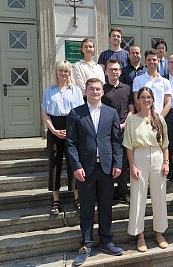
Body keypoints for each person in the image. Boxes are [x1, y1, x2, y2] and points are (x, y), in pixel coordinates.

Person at [66, 78, 124, 266]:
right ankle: (87, 243)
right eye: (91, 89)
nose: (95, 92)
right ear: (86, 91)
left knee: (107, 206)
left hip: (107, 168)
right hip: (86, 169)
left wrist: (118, 163)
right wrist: (76, 166)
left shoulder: (111, 113)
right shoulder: (76, 113)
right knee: (87, 208)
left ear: (102, 91)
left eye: (98, 89)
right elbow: (71, 143)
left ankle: (106, 241)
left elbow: (116, 141)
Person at [123, 87, 170, 252]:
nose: (146, 100)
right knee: (138, 196)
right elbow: (128, 146)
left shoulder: (159, 119)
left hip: (157, 156)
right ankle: (140, 236)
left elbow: (165, 144)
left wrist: (166, 162)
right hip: (139, 156)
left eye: (149, 97)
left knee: (159, 196)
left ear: (152, 99)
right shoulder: (132, 120)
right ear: (137, 100)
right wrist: (132, 165)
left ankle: (159, 233)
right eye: (143, 97)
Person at [41, 60, 84, 215]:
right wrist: (53, 130)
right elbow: (45, 113)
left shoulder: (76, 90)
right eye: (61, 70)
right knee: (54, 164)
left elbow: (79, 112)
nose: (63, 73)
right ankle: (56, 200)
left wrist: (71, 130)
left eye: (66, 71)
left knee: (74, 163)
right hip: (54, 128)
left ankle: (77, 197)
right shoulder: (48, 91)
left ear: (69, 73)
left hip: (71, 127)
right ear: (56, 72)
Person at [102, 59, 134, 205]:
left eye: (116, 69)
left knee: (122, 162)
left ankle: (122, 192)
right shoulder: (101, 89)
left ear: (120, 71)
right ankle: (107, 192)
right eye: (111, 69)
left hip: (124, 129)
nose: (114, 71)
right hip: (106, 131)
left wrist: (125, 123)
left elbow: (131, 109)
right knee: (108, 161)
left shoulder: (127, 88)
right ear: (106, 71)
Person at [132, 49, 172, 116]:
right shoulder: (138, 80)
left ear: (158, 61)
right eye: (149, 60)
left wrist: (159, 119)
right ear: (145, 62)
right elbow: (137, 102)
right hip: (143, 120)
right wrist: (145, 117)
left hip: (159, 121)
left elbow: (168, 103)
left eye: (154, 60)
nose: (151, 62)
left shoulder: (166, 82)